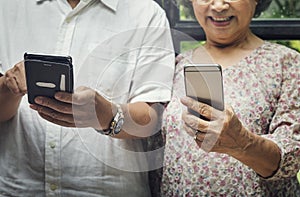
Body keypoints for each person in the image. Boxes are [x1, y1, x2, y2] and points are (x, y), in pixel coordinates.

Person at [0, 0, 175, 196]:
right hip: (17, 187)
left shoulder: (146, 13)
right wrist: (7, 87)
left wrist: (105, 114)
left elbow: (150, 120)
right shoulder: (7, 7)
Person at [161, 0, 300, 196]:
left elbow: (292, 158)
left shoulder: (287, 64)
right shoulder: (175, 65)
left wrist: (242, 142)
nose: (218, 6)